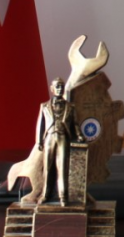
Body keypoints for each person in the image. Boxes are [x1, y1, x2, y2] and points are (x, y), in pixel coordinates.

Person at [37, 78, 83, 206]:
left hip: (63, 137)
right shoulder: (44, 106)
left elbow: (75, 123)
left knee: (62, 167)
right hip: (49, 138)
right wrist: (38, 141)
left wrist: (79, 135)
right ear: (52, 89)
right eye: (57, 86)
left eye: (62, 86)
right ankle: (45, 194)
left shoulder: (70, 107)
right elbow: (40, 125)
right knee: (47, 167)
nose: (59, 89)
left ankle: (63, 196)